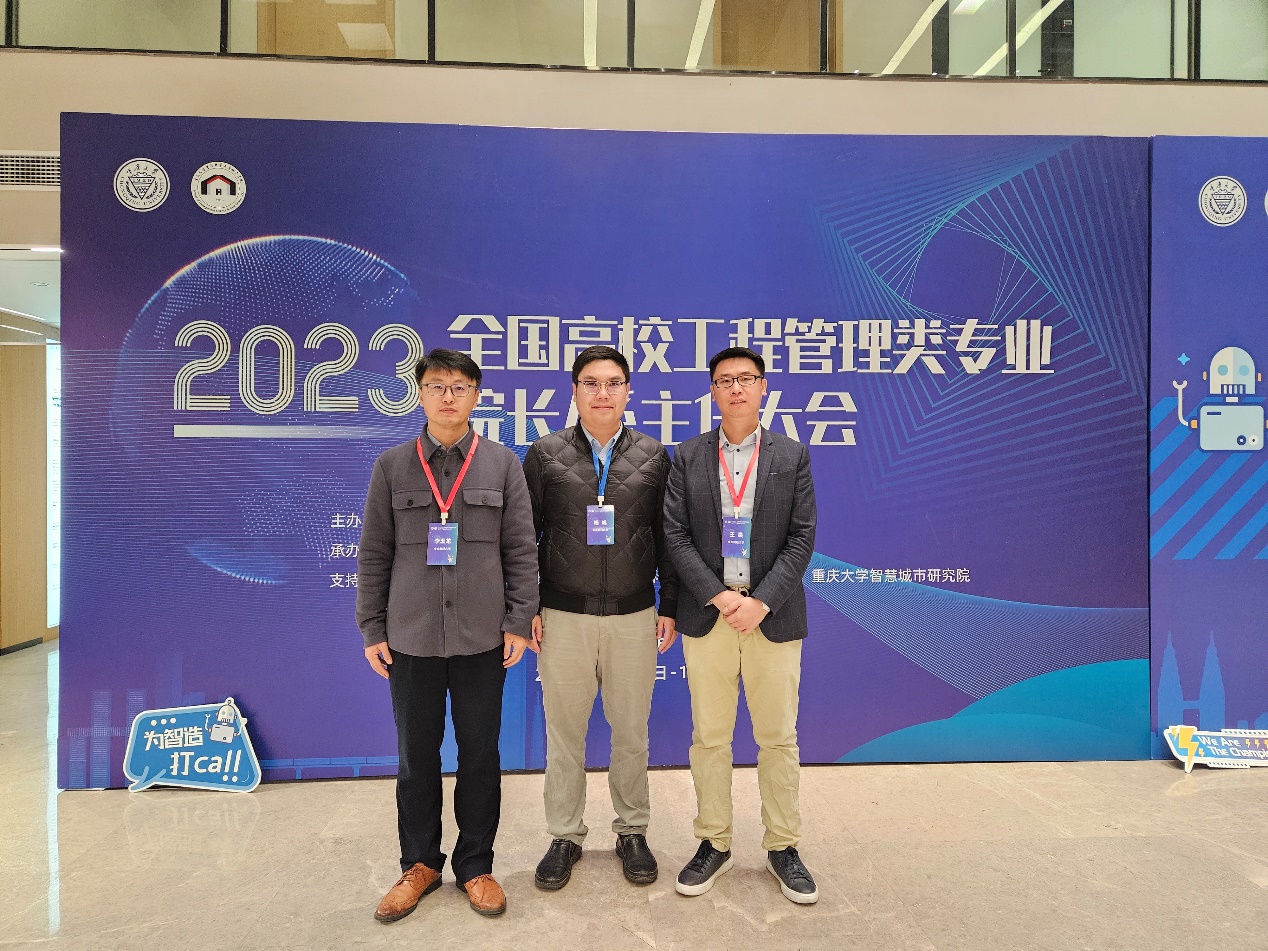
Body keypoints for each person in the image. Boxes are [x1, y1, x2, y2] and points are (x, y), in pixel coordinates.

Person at [356, 348, 538, 922]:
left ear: (476, 396)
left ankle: (476, 864)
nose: (448, 396)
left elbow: (521, 550)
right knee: (416, 757)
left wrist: (518, 620)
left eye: (460, 386)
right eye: (436, 386)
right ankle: (420, 864)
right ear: (420, 394)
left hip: (482, 637)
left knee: (481, 756)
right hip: (410, 638)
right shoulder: (391, 466)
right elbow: (374, 554)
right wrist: (372, 627)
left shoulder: (502, 464)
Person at [662, 346, 819, 905]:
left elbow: (802, 537)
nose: (736, 388)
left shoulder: (792, 455)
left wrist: (762, 601)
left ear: (763, 387)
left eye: (746, 379)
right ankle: (714, 842)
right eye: (725, 380)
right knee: (710, 737)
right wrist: (720, 595)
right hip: (710, 617)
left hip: (772, 617)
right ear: (712, 390)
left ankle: (783, 846)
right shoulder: (687, 456)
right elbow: (675, 536)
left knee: (778, 738)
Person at [523, 345, 680, 890]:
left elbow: (670, 538)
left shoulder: (654, 456)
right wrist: (527, 608)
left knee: (631, 732)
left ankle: (632, 830)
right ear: (575, 392)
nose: (602, 393)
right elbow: (522, 538)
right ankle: (564, 835)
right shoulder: (545, 454)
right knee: (564, 734)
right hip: (563, 615)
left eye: (613, 383)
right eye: (591, 383)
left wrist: (670, 605)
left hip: (633, 615)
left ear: (628, 392)